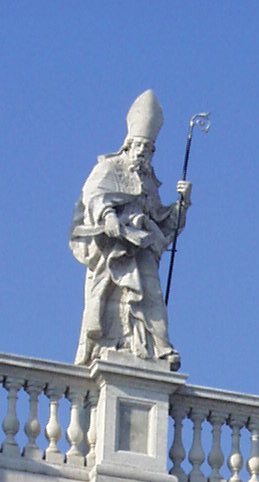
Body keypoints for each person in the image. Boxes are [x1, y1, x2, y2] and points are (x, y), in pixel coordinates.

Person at [70, 90, 191, 370]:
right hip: (112, 247)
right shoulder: (109, 168)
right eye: (141, 147)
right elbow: (93, 194)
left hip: (141, 245)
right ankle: (108, 345)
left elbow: (164, 223)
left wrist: (183, 203)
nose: (145, 154)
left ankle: (157, 347)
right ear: (129, 145)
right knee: (108, 301)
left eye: (150, 149)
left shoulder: (148, 181)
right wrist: (108, 215)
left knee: (151, 293)